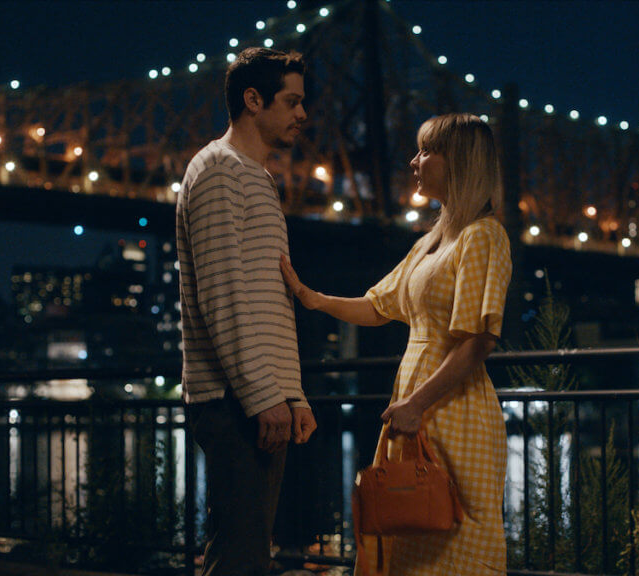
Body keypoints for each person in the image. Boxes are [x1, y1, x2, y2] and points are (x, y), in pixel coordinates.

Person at [281, 113, 511, 575]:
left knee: (458, 534)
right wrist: (314, 299)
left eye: (427, 151)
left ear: (460, 163)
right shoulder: (432, 242)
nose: (414, 161)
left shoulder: (484, 235)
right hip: (415, 408)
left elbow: (478, 341)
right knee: (409, 529)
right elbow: (378, 306)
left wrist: (415, 405)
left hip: (452, 408)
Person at [176, 46, 317, 576]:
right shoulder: (217, 170)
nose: (303, 114)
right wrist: (264, 395)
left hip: (256, 397)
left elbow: (269, 302)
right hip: (234, 400)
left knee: (249, 553)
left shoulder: (256, 176)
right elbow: (222, 295)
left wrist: (293, 392)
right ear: (252, 100)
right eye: (292, 101)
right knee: (239, 559)